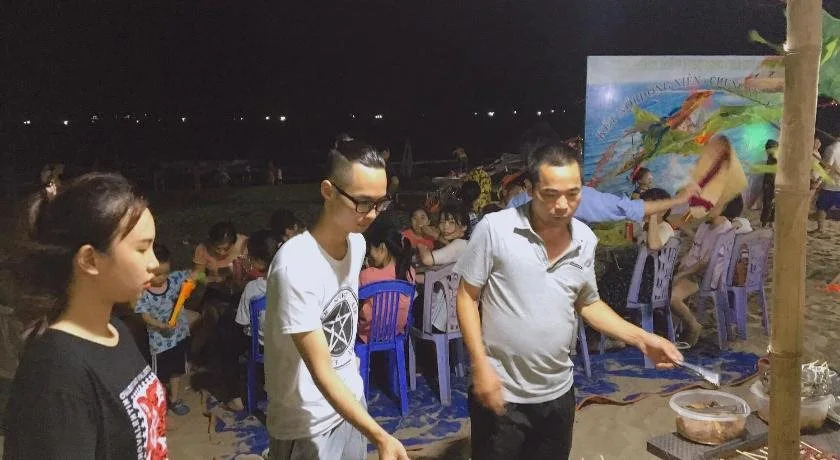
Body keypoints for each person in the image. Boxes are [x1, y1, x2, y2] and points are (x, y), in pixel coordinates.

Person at [454, 143, 682, 459]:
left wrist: (643, 338)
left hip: (558, 394)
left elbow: (588, 302)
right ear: (530, 189)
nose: (563, 205)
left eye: (573, 194)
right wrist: (480, 364)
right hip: (501, 393)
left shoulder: (585, 239)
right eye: (551, 194)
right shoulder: (495, 229)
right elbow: (466, 296)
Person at [4, 172, 169, 459]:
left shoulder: (116, 330)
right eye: (142, 249)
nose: (154, 263)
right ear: (90, 260)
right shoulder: (56, 375)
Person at [264, 139, 408, 460]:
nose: (372, 214)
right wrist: (380, 436)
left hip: (350, 405)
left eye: (380, 203)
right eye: (363, 202)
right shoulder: (295, 266)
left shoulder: (357, 244)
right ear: (328, 191)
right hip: (307, 423)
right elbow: (322, 370)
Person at [670, 195, 743, 347]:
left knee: (672, 297)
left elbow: (703, 263)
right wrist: (681, 267)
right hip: (694, 270)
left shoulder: (724, 230)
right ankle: (674, 330)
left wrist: (682, 274)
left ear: (723, 207)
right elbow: (694, 250)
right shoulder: (705, 226)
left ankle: (693, 326)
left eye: (709, 206)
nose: (704, 210)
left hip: (704, 276)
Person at [134, 243, 192, 416]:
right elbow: (144, 316)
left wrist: (206, 277)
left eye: (166, 272)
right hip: (160, 343)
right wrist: (160, 325)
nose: (162, 278)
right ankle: (157, 404)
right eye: (157, 274)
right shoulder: (143, 291)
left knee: (177, 371)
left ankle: (174, 399)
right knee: (159, 375)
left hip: (179, 336)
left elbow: (193, 275)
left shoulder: (174, 279)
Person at [358, 221, 416, 343]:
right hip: (396, 333)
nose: (370, 255)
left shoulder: (366, 275)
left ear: (382, 248)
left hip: (368, 335)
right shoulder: (410, 272)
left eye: (371, 249)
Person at [811, 139, 840, 235]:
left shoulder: (832, 149)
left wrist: (818, 181)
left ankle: (820, 229)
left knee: (822, 206)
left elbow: (827, 167)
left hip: (831, 184)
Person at [760, 139, 779, 227]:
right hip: (770, 185)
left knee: (770, 204)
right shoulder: (773, 159)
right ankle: (765, 223)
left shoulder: (773, 158)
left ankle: (768, 222)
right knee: (769, 204)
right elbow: (772, 175)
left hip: (771, 184)